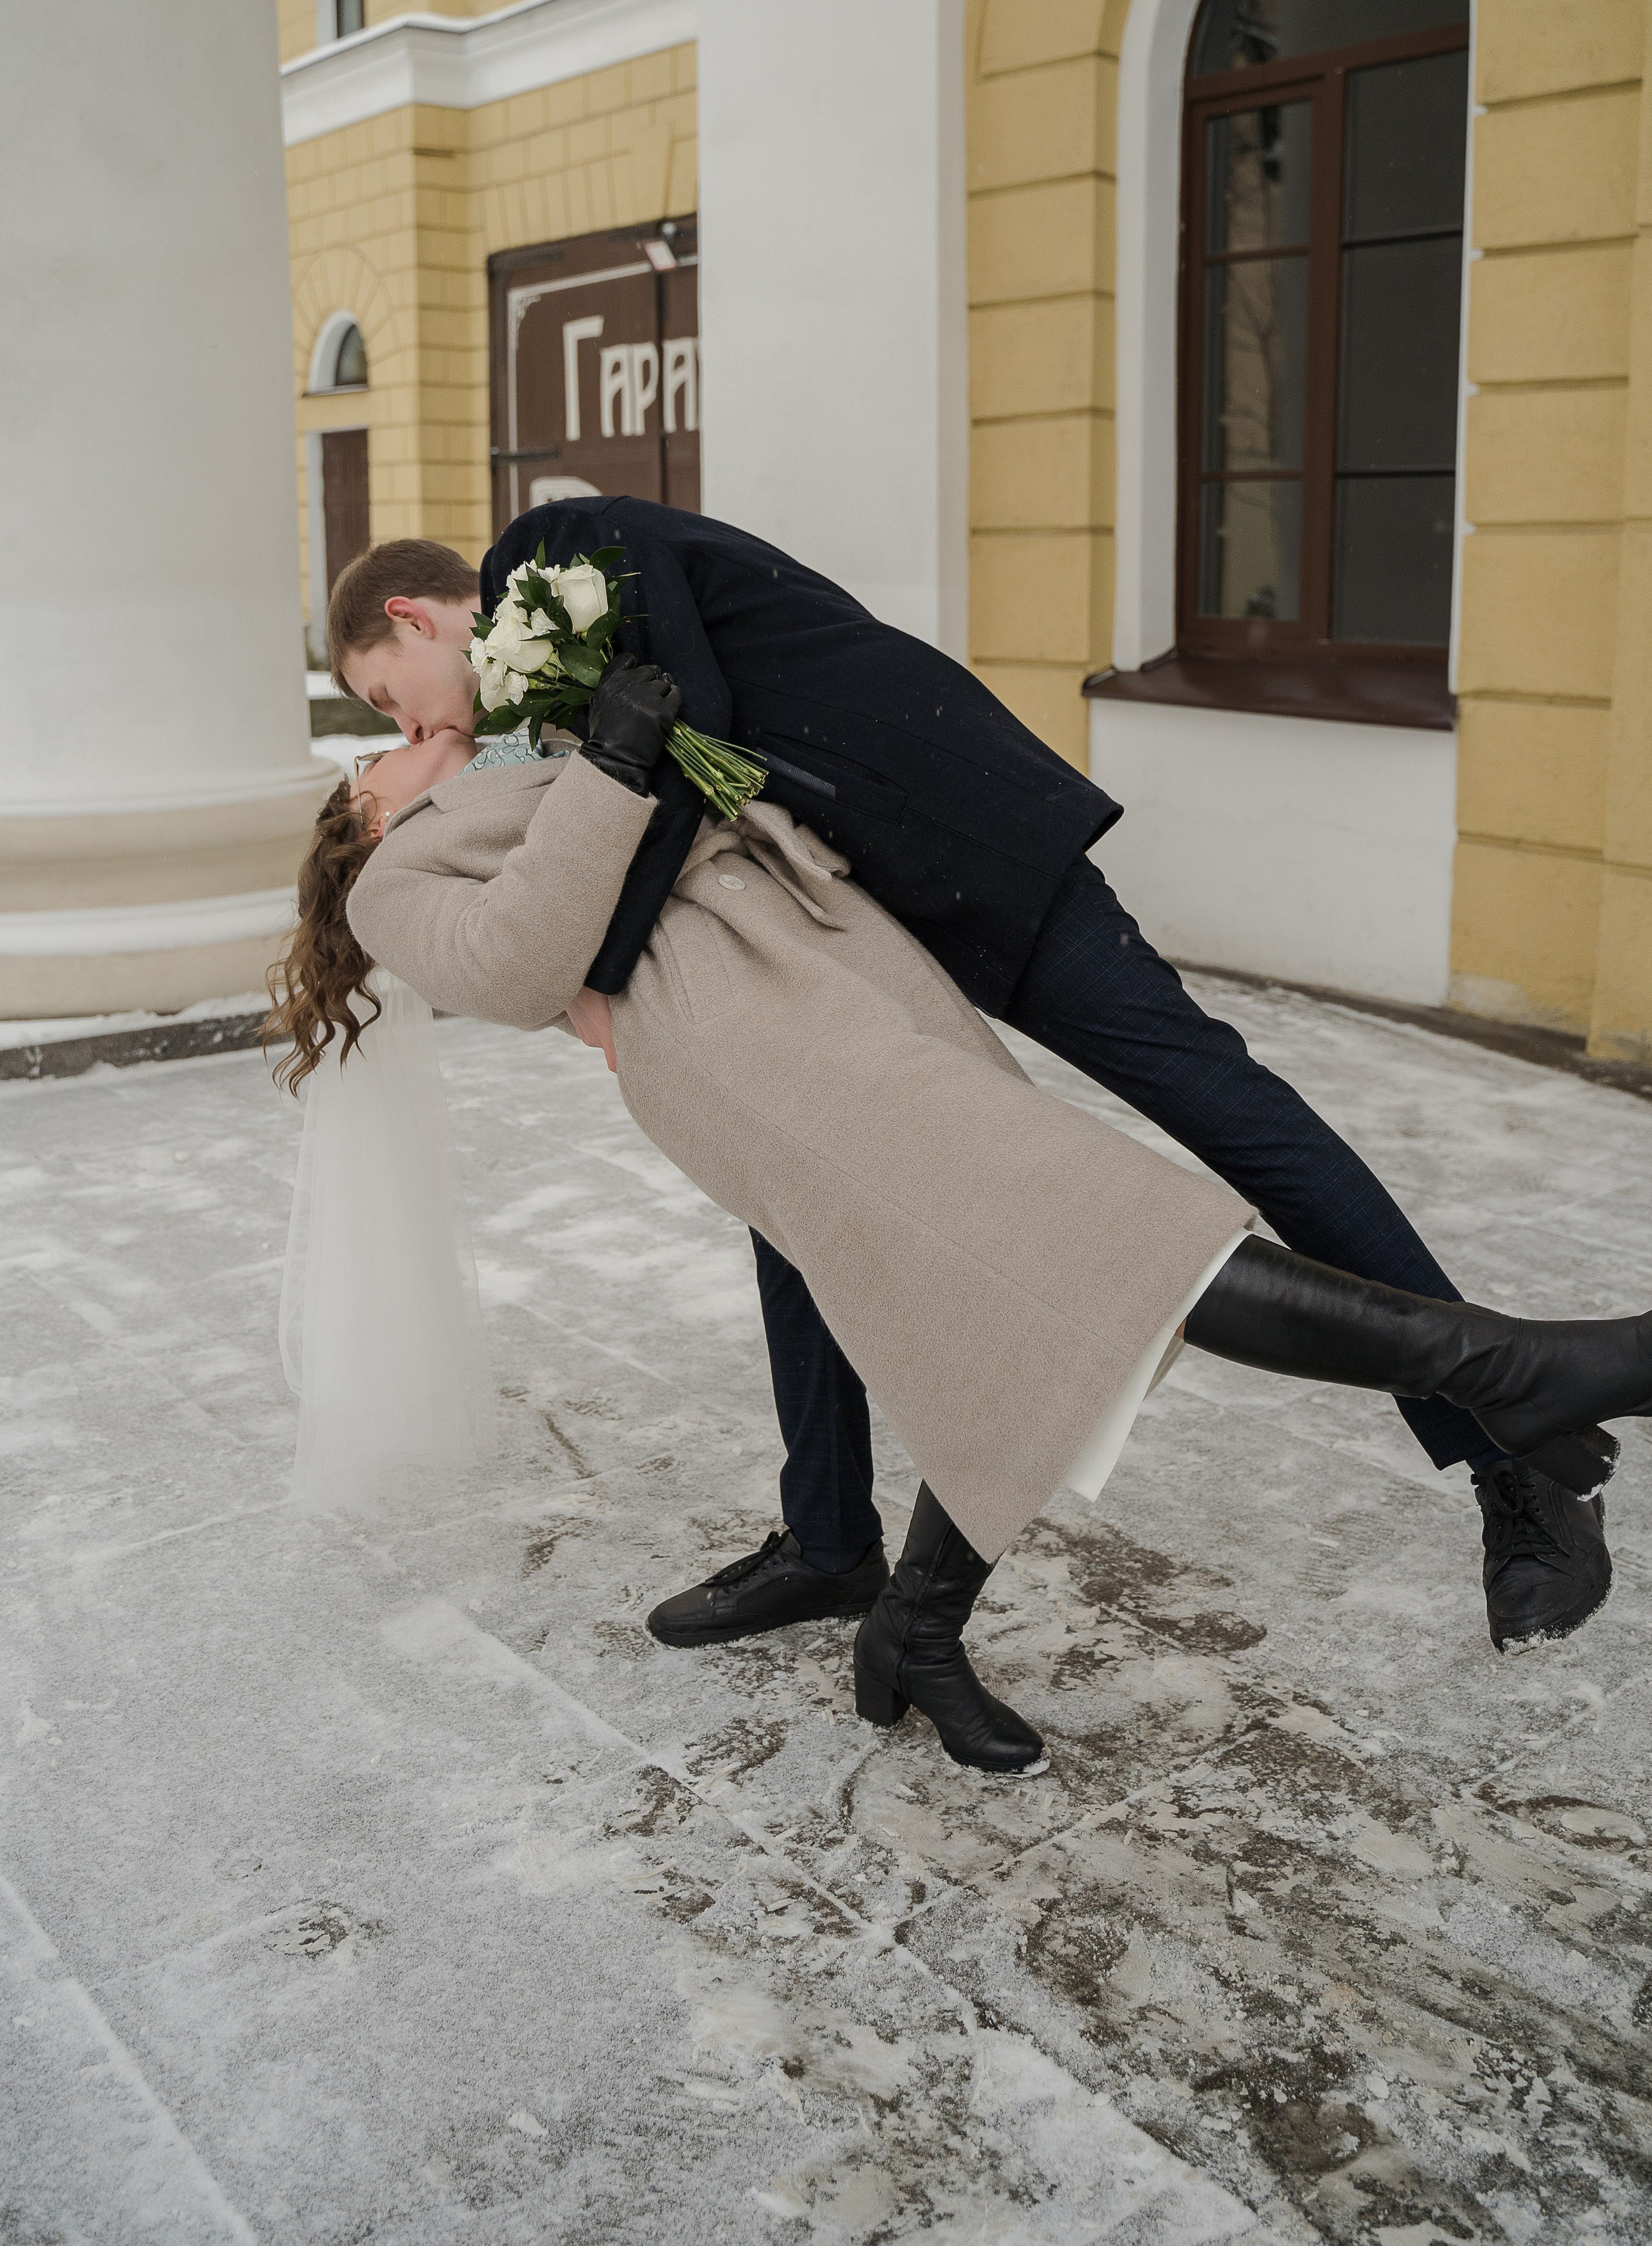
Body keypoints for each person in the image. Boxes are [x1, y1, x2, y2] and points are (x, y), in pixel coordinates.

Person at [266, 673, 1639, 1776]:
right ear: (369, 822)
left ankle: (913, 1627)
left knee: (1008, 1318)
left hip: (847, 989)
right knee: (1105, 1233)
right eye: (366, 767)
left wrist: (647, 772)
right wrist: (624, 765)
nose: (384, 746)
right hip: (755, 1055)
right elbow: (515, 962)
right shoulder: (398, 879)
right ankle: (1509, 1373)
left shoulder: (526, 761)